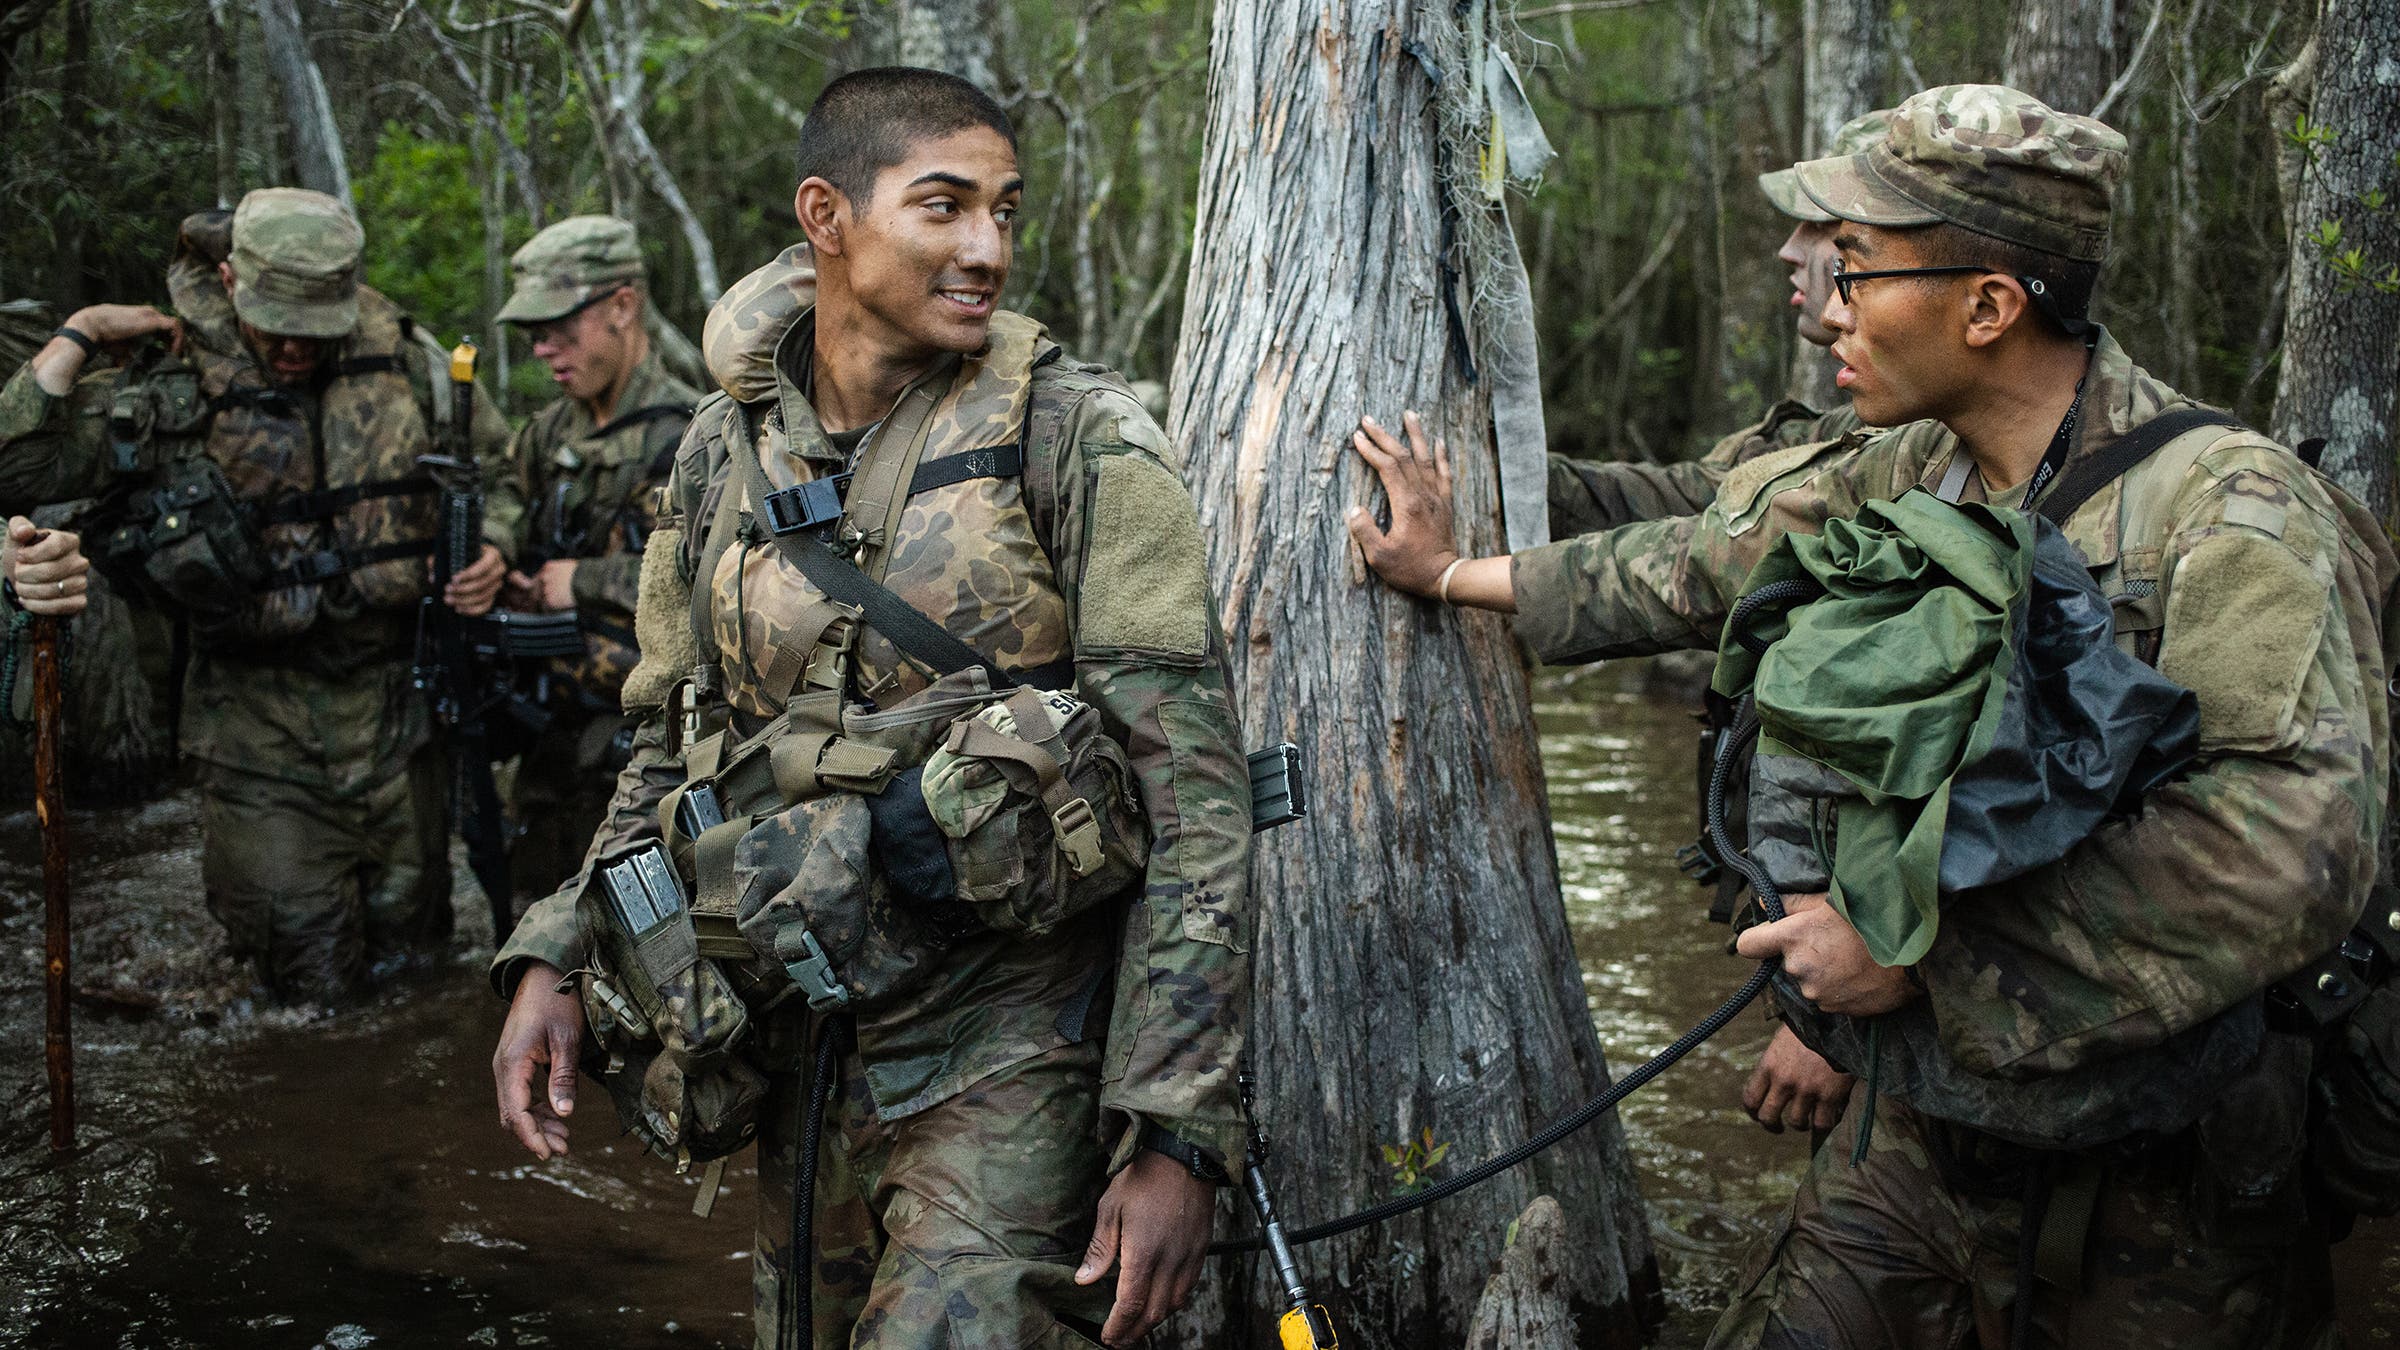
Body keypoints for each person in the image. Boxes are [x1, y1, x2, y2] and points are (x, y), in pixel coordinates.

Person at [1351, 85, 2388, 1347]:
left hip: (2166, 1191)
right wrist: (1456, 560)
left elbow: (2290, 850)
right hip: (1916, 1138)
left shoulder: (2234, 515)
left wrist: (1914, 953)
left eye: (1861, 269)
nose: (1832, 303)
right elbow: (1703, 551)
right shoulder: (1914, 465)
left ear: (1988, 306)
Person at [487, 69, 1251, 1350]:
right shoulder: (719, 454)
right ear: (826, 216)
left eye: (1006, 211)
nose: (986, 248)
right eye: (944, 207)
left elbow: (1198, 802)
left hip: (1014, 1043)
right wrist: (560, 949)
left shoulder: (1082, 439)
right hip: (792, 1028)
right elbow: (667, 737)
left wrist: (1177, 1131)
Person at [0, 188, 521, 1003]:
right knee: (309, 991)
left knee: (420, 972)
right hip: (257, 737)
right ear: (233, 280)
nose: (292, 347)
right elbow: (18, 468)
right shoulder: (171, 377)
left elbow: (502, 469)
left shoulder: (408, 357)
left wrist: (495, 545)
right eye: (275, 321)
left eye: (313, 327)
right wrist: (84, 332)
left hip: (401, 726)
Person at [1548, 112, 1911, 1140]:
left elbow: (1972, 783)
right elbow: (1692, 505)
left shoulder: (1956, 468)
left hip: (1916, 1013)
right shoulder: (1858, 434)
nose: (1792, 255)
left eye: (1831, 236)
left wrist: (1855, 990)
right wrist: (1497, 477)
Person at [1546, 108, 1897, 541]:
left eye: (1824, 225)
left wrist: (1454, 577)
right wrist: (1520, 472)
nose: (1790, 249)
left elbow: (1702, 559)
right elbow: (1701, 495)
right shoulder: (1843, 431)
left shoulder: (1930, 449)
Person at [491, 215, 700, 906]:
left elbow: (711, 574)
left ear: (622, 305)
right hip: (551, 725)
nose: (545, 350)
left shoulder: (691, 432)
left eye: (560, 329)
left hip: (644, 741)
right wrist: (492, 553)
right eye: (533, 337)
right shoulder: (551, 430)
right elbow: (506, 492)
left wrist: (579, 581)